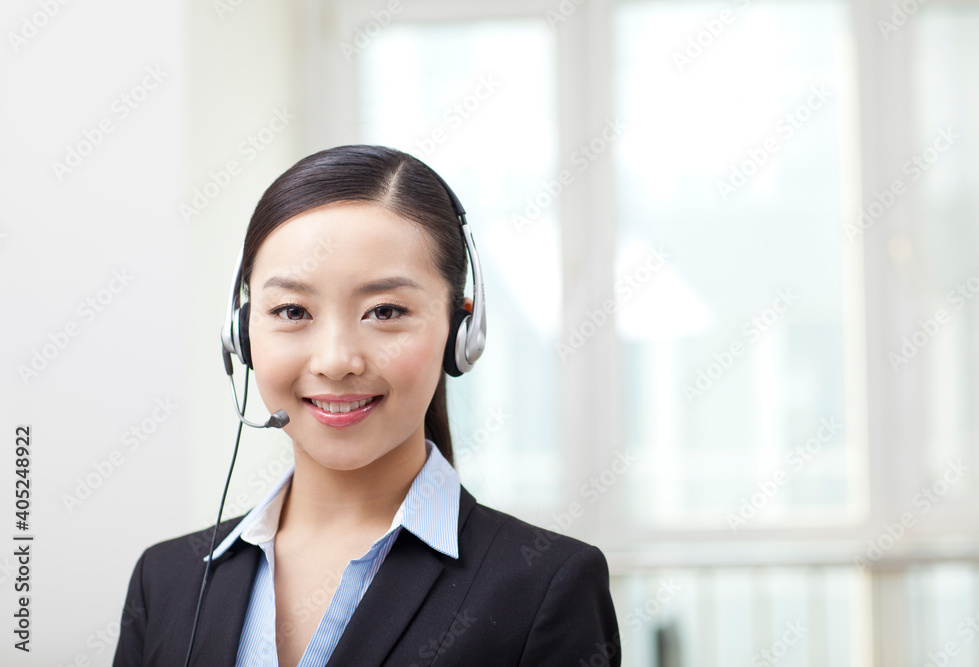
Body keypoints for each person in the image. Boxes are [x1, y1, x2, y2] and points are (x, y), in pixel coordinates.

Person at [112, 145, 621, 666]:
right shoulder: (168, 579)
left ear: (461, 332)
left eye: (385, 311)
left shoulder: (544, 587)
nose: (336, 361)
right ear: (241, 333)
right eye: (291, 310)